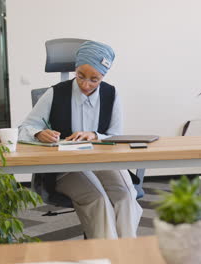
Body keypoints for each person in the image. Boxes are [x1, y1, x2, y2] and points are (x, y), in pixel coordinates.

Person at [19, 41, 142, 239]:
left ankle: (127, 254)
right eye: (81, 76)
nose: (86, 85)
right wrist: (38, 133)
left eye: (95, 79)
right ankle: (106, 256)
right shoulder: (55, 93)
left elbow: (116, 135)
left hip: (104, 162)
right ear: (75, 69)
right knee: (98, 199)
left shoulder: (112, 94)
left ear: (104, 76)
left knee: (125, 196)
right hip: (66, 166)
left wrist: (95, 135)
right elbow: (24, 128)